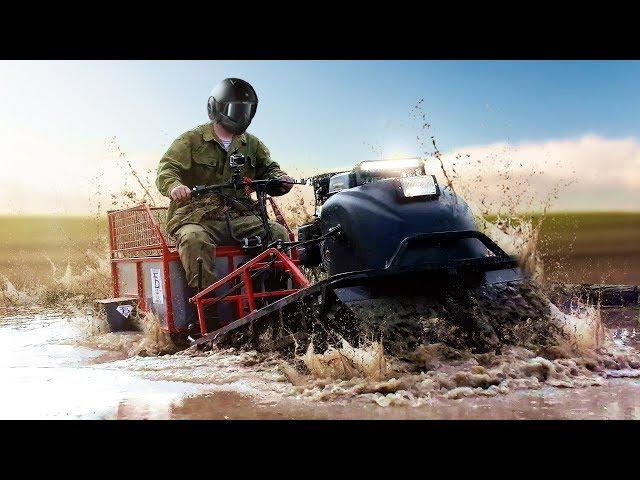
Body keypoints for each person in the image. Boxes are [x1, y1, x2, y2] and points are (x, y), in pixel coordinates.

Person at [156, 78, 294, 289]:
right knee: (194, 239)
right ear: (217, 108)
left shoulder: (252, 144)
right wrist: (175, 187)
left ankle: (276, 299)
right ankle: (207, 308)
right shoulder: (191, 140)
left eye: (247, 110)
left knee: (277, 234)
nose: (243, 116)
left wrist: (280, 179)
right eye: (237, 110)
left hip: (240, 216)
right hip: (198, 217)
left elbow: (269, 168)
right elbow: (167, 168)